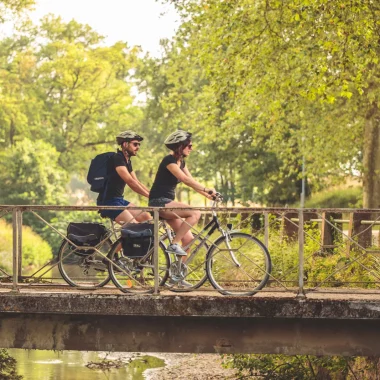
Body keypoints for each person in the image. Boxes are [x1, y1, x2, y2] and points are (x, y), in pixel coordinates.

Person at [149, 130, 217, 257]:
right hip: (159, 202)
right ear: (180, 146)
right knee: (195, 212)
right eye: (189, 146)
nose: (191, 148)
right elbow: (185, 180)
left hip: (168, 204)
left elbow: (191, 181)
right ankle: (174, 244)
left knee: (188, 240)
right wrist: (207, 188)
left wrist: (209, 195)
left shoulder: (181, 162)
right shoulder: (169, 161)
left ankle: (178, 275)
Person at [98, 130, 151, 224]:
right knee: (134, 227)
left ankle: (130, 238)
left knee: (146, 216)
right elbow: (130, 182)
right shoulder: (117, 158)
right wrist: (149, 196)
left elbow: (137, 182)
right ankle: (130, 237)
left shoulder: (127, 161)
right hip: (108, 202)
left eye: (139, 145)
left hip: (119, 200)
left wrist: (154, 195)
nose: (138, 147)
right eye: (135, 144)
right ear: (125, 144)